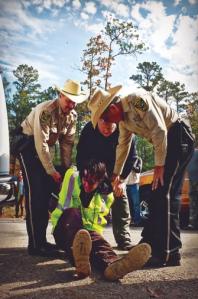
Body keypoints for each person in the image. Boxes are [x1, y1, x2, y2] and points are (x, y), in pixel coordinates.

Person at [88, 86, 195, 267]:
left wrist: (159, 165)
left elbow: (160, 130)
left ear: (113, 108)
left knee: (165, 194)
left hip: (177, 137)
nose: (108, 123)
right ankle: (149, 245)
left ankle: (170, 253)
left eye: (106, 118)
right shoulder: (123, 121)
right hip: (166, 144)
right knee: (155, 195)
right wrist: (116, 175)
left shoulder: (137, 101)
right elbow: (123, 146)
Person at [15, 79, 88, 257]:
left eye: (74, 102)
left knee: (47, 194)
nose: (71, 105)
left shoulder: (72, 116)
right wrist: (51, 171)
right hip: (28, 146)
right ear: (60, 95)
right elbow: (41, 145)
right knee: (36, 196)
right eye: (68, 100)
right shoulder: (46, 111)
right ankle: (35, 245)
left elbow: (67, 144)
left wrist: (66, 169)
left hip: (44, 150)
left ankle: (43, 242)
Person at [51, 159, 151, 281]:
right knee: (73, 214)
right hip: (64, 230)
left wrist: (96, 243)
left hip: (86, 236)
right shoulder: (72, 177)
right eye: (85, 179)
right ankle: (79, 259)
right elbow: (67, 207)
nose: (86, 185)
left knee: (97, 242)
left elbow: (96, 226)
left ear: (100, 181)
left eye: (92, 182)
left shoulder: (107, 195)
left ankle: (113, 265)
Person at [77, 88, 138, 250]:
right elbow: (80, 156)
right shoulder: (88, 130)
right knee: (85, 198)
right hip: (93, 172)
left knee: (120, 198)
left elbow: (132, 157)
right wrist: (85, 177)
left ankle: (124, 240)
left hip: (115, 174)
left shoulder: (126, 129)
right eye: (102, 122)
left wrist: (122, 181)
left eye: (109, 122)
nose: (106, 127)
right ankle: (84, 236)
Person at [126, 156, 142, 226]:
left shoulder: (138, 159)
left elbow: (139, 170)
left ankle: (137, 221)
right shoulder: (126, 158)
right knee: (128, 204)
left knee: (136, 205)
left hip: (134, 185)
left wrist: (131, 165)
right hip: (126, 185)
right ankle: (130, 221)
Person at [186, 148, 198, 230]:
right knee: (193, 202)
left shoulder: (195, 153)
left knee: (194, 202)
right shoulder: (190, 153)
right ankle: (193, 223)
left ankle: (193, 223)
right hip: (192, 180)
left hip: (195, 180)